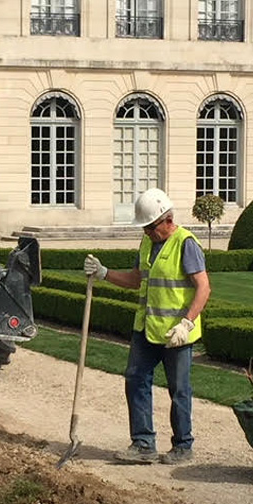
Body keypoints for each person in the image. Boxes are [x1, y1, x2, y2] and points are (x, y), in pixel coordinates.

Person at [84, 188, 210, 465]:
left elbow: (203, 287)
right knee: (135, 380)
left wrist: (186, 324)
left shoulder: (186, 243)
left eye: (151, 227)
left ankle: (183, 446)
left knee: (179, 390)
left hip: (177, 334)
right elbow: (136, 280)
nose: (147, 233)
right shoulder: (146, 244)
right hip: (147, 327)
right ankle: (143, 444)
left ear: (168, 219)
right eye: (144, 228)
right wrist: (104, 274)